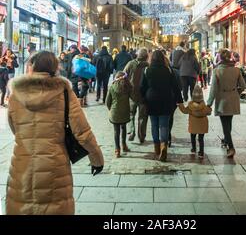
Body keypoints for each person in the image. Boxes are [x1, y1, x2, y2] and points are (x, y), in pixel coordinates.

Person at [6, 50, 104, 215]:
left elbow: (14, 127)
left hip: (22, 165)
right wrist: (97, 159)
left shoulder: (16, 93)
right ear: (55, 68)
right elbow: (82, 131)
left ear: (31, 66)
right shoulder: (64, 92)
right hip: (54, 166)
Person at [140, 50, 182, 162]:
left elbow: (142, 87)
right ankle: (164, 146)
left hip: (151, 100)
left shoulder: (147, 70)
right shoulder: (168, 70)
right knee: (164, 125)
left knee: (154, 125)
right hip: (166, 99)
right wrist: (180, 100)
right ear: (163, 58)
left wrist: (142, 99)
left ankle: (157, 148)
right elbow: (175, 87)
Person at [207, 48, 246, 158]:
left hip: (222, 100)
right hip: (233, 99)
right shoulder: (236, 70)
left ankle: (231, 147)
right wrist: (236, 92)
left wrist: (209, 103)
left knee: (225, 124)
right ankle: (225, 140)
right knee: (229, 122)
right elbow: (243, 86)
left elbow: (213, 89)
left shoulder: (217, 71)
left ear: (219, 58)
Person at [178, 84, 211, 159]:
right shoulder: (204, 107)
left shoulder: (190, 107)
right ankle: (201, 152)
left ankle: (193, 148)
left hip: (193, 125)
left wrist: (180, 104)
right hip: (202, 126)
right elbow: (209, 112)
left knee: (193, 137)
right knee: (201, 139)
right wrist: (210, 108)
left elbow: (184, 111)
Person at [124, 48, 149, 143]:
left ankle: (132, 132)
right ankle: (141, 135)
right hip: (143, 95)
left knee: (131, 114)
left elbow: (124, 75)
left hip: (132, 94)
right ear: (146, 57)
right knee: (143, 116)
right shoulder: (148, 66)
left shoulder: (130, 64)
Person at [106, 71, 133, 158]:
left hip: (115, 112)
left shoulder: (112, 87)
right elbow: (133, 97)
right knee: (123, 128)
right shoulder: (128, 87)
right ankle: (124, 145)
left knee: (116, 131)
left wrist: (111, 109)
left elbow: (107, 102)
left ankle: (117, 150)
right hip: (125, 111)